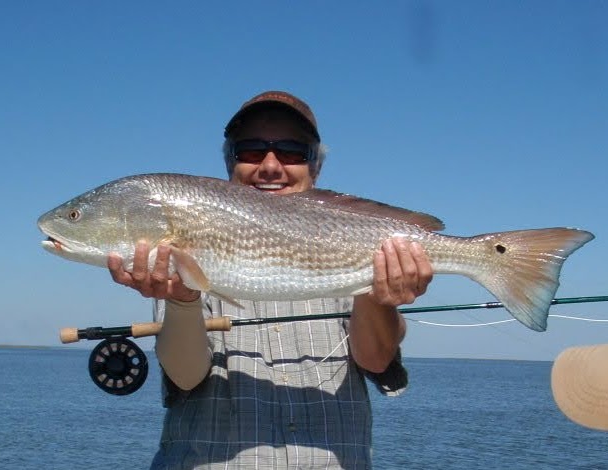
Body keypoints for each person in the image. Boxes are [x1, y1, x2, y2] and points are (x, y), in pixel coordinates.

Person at [108, 91, 434, 469]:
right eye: (250, 150)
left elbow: (376, 361)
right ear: (229, 162)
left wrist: (378, 293)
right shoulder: (191, 245)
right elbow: (185, 376)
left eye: (293, 151)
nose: (270, 165)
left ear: (316, 168)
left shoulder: (354, 246)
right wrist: (183, 300)